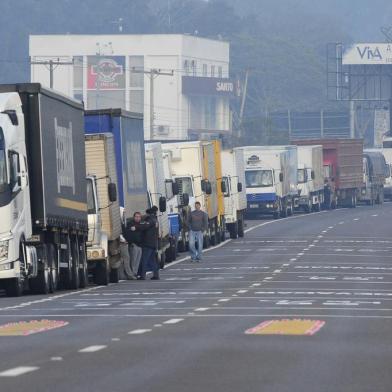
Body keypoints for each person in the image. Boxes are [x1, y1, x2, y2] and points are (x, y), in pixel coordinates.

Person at [132, 206, 160, 280]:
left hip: (148, 243)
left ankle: (142, 275)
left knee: (144, 259)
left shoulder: (150, 220)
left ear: (149, 213)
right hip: (154, 243)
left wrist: (136, 227)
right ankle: (156, 275)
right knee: (153, 260)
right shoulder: (156, 220)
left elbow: (145, 226)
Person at [122, 211, 143, 280]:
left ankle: (135, 273)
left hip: (140, 245)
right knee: (133, 261)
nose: (138, 218)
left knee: (137, 261)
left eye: (139, 217)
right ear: (134, 217)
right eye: (136, 217)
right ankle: (132, 273)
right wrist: (131, 242)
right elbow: (128, 234)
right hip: (134, 245)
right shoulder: (130, 224)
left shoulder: (141, 224)